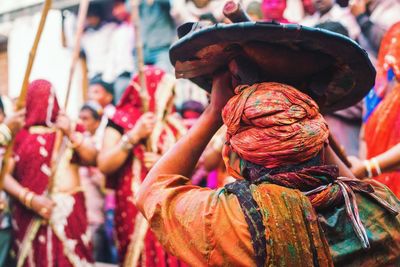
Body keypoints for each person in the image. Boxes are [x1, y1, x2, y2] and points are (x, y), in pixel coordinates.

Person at [136, 59, 400, 265]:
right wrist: (309, 120)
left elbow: (153, 190)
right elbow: (354, 187)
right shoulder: (379, 212)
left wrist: (214, 112)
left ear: (237, 156)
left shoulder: (227, 220)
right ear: (318, 142)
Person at [97, 66, 187, 265]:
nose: (172, 100)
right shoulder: (121, 122)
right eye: (167, 93)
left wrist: (162, 164)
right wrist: (133, 136)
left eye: (173, 93)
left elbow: (191, 168)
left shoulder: (174, 125)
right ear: (154, 93)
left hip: (169, 207)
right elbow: (104, 164)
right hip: (133, 207)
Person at [3, 79, 96, 266]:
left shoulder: (69, 128)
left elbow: (93, 159)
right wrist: (30, 199)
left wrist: (70, 133)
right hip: (30, 213)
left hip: (68, 215)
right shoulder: (20, 135)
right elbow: (3, 176)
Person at [349, 23, 400, 197]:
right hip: (377, 186)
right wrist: (365, 173)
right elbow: (364, 136)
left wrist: (369, 167)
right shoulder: (377, 92)